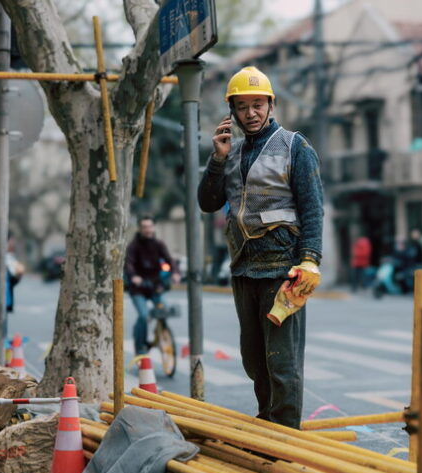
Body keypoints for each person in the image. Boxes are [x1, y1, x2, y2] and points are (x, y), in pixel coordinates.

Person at [197, 66, 324, 429]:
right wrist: (217, 159)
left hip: (284, 270)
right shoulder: (231, 152)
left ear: (271, 104)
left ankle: (284, 438)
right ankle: (268, 424)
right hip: (243, 268)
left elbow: (313, 207)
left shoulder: (294, 146)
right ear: (232, 112)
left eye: (257, 104)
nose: (250, 113)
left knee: (282, 363)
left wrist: (310, 260)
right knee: (254, 360)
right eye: (242, 106)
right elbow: (208, 202)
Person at [124, 216, 181, 357]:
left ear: (154, 227)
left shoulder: (159, 244)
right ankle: (140, 345)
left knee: (164, 311)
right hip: (139, 288)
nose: (147, 229)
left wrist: (175, 273)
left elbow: (170, 260)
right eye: (144, 227)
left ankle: (161, 333)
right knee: (144, 316)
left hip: (156, 287)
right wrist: (134, 277)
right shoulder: (133, 246)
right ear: (139, 228)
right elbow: (129, 264)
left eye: (149, 226)